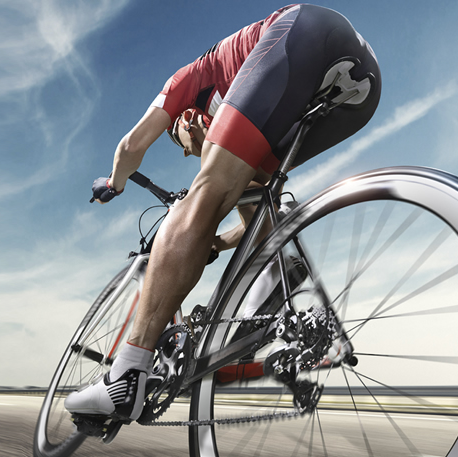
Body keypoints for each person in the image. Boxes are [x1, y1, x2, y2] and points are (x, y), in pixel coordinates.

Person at [64, 3, 382, 423]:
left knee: (205, 192)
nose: (184, 150)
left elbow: (131, 146)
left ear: (187, 119)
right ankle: (275, 277)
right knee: (254, 194)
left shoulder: (187, 80)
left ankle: (126, 374)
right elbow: (253, 216)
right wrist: (212, 240)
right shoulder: (251, 101)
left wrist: (113, 184)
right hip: (362, 88)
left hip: (302, 33)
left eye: (178, 139)